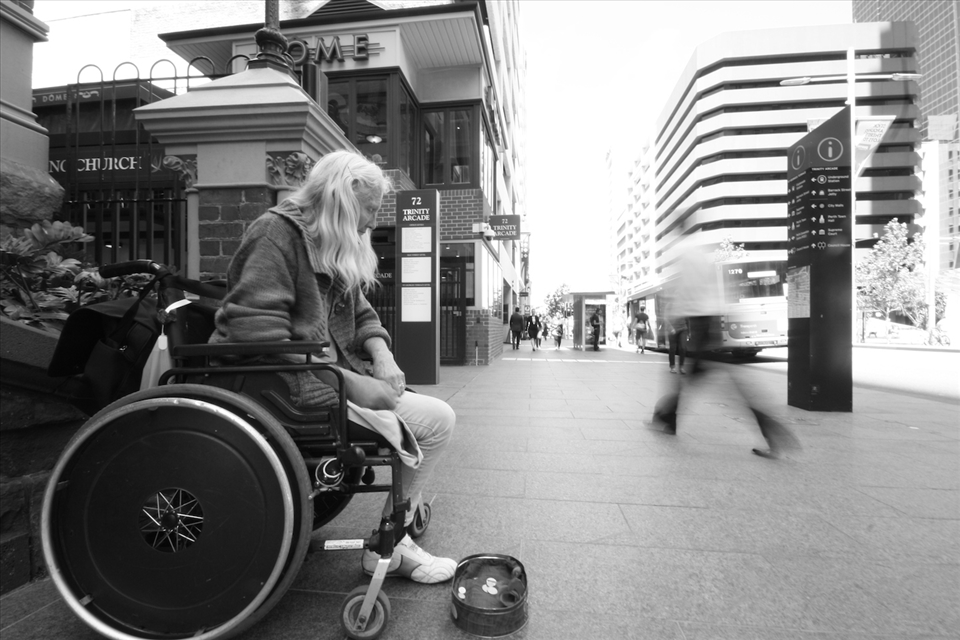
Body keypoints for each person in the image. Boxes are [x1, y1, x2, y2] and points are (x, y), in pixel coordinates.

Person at [209, 150, 456, 584]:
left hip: (322, 379)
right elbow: (255, 334)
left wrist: (383, 357)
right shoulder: (275, 234)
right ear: (344, 195)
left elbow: (361, 315)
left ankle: (394, 535)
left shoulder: (326, 242)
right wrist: (351, 385)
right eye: (371, 209)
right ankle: (392, 547)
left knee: (429, 417)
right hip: (284, 388)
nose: (373, 222)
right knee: (437, 422)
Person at [651, 236, 799, 460]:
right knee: (698, 379)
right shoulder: (701, 256)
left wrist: (670, 319)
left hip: (701, 325)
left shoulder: (687, 253)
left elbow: (688, 292)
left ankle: (774, 433)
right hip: (709, 323)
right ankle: (666, 419)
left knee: (723, 385)